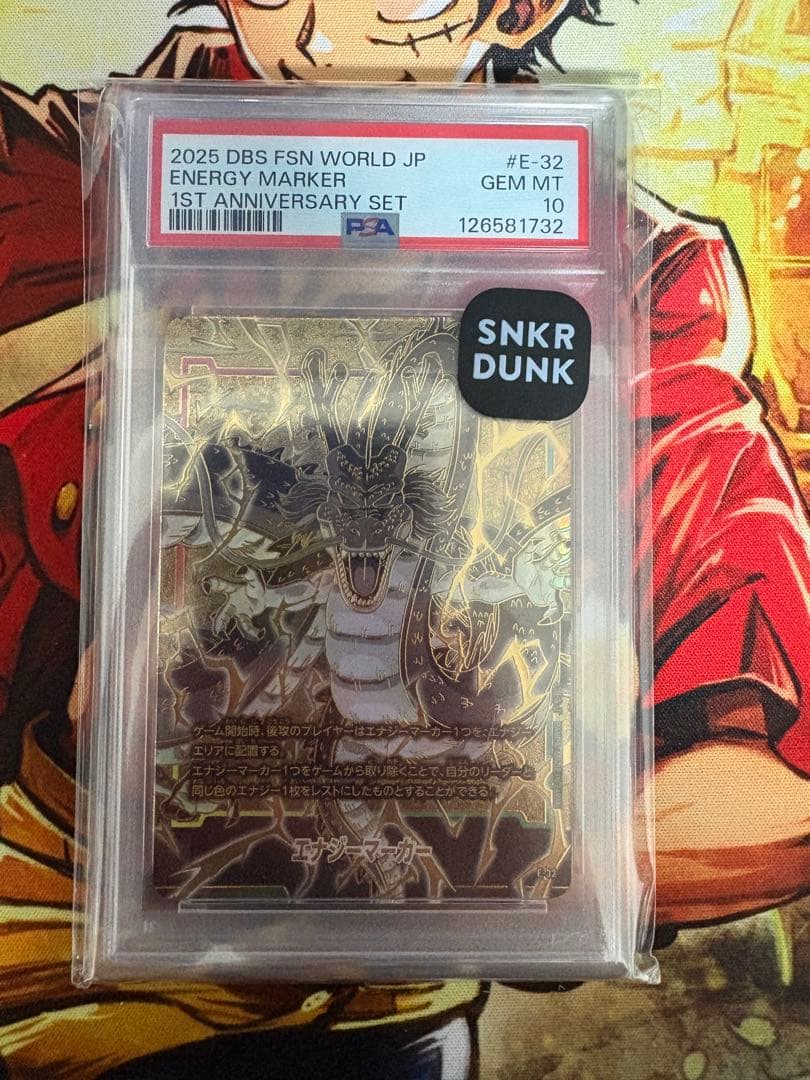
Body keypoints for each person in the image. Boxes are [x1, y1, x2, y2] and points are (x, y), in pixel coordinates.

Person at [0, 1, 808, 1075]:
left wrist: (501, 865)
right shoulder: (75, 174)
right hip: (45, 912)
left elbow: (764, 775)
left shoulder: (630, 275)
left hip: (366, 1004)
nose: (315, 31)